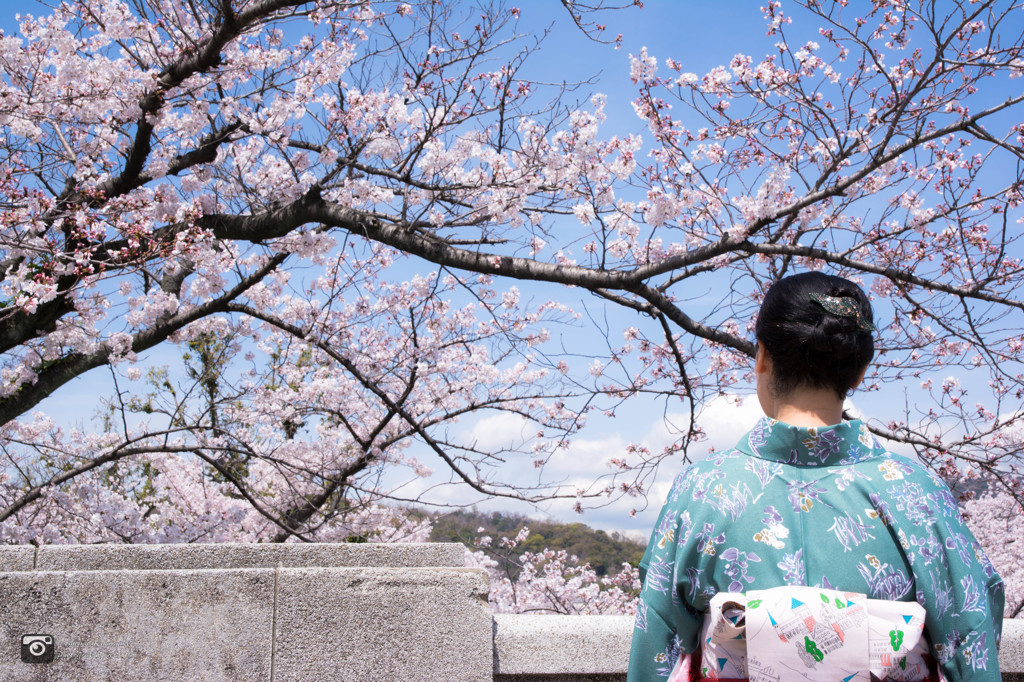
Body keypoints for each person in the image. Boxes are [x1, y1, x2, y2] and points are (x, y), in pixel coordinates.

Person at [627, 272, 1004, 681]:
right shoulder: (915, 490)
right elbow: (971, 632)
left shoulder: (702, 489)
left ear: (763, 357)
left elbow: (657, 640)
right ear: (859, 372)